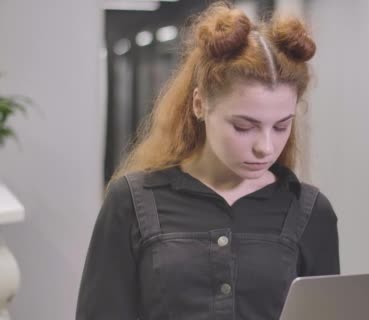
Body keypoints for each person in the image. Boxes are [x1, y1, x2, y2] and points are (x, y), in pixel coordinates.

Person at [75, 2, 340, 320]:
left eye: (282, 125)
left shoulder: (311, 212)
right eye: (244, 126)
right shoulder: (131, 201)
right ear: (200, 104)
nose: (265, 147)